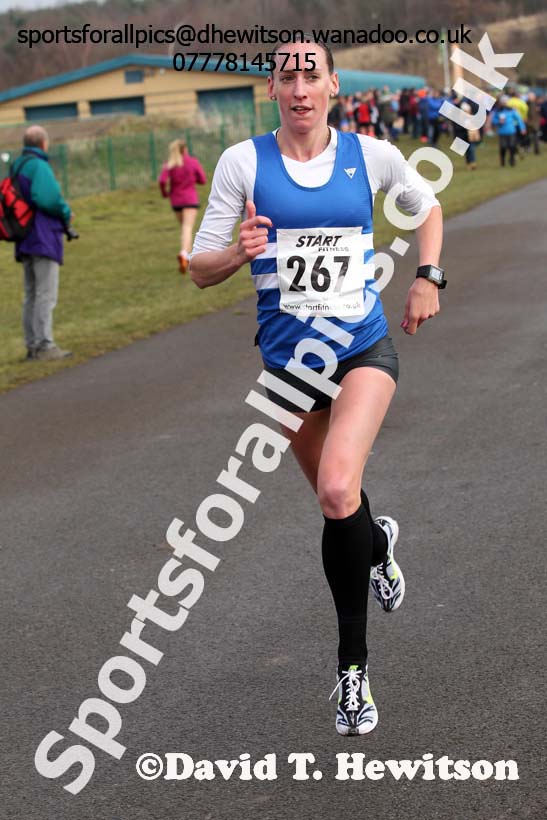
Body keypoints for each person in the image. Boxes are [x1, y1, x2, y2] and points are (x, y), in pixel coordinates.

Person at [189, 38, 443, 736]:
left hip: (361, 346)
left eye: (311, 75)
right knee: (342, 504)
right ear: (271, 89)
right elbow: (199, 268)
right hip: (287, 365)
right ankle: (377, 544)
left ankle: (351, 673)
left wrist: (428, 276)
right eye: (286, 77)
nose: (299, 88)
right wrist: (234, 253)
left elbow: (425, 208)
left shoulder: (372, 155)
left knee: (335, 489)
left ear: (333, 85)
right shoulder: (242, 163)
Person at [12, 125, 73, 361]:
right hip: (42, 235)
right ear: (43, 143)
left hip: (23, 235)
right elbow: (48, 198)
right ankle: (45, 345)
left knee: (31, 294)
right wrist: (66, 212)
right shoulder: (39, 166)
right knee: (45, 293)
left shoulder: (18, 165)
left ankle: (32, 345)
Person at [158, 138, 206, 274]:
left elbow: (162, 181)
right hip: (190, 199)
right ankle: (184, 254)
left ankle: (187, 258)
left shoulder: (170, 164)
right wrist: (193, 179)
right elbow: (202, 179)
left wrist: (165, 193)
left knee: (185, 228)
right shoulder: (192, 162)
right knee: (187, 228)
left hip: (176, 201)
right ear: (185, 149)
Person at [491, 95, 526, 167]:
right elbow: (493, 120)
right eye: (502, 102)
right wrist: (498, 122)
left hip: (511, 131)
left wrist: (522, 128)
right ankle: (502, 161)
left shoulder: (511, 110)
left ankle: (512, 160)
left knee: (512, 146)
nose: (504, 103)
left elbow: (519, 119)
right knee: (503, 147)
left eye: (505, 102)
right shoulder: (497, 111)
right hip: (502, 132)